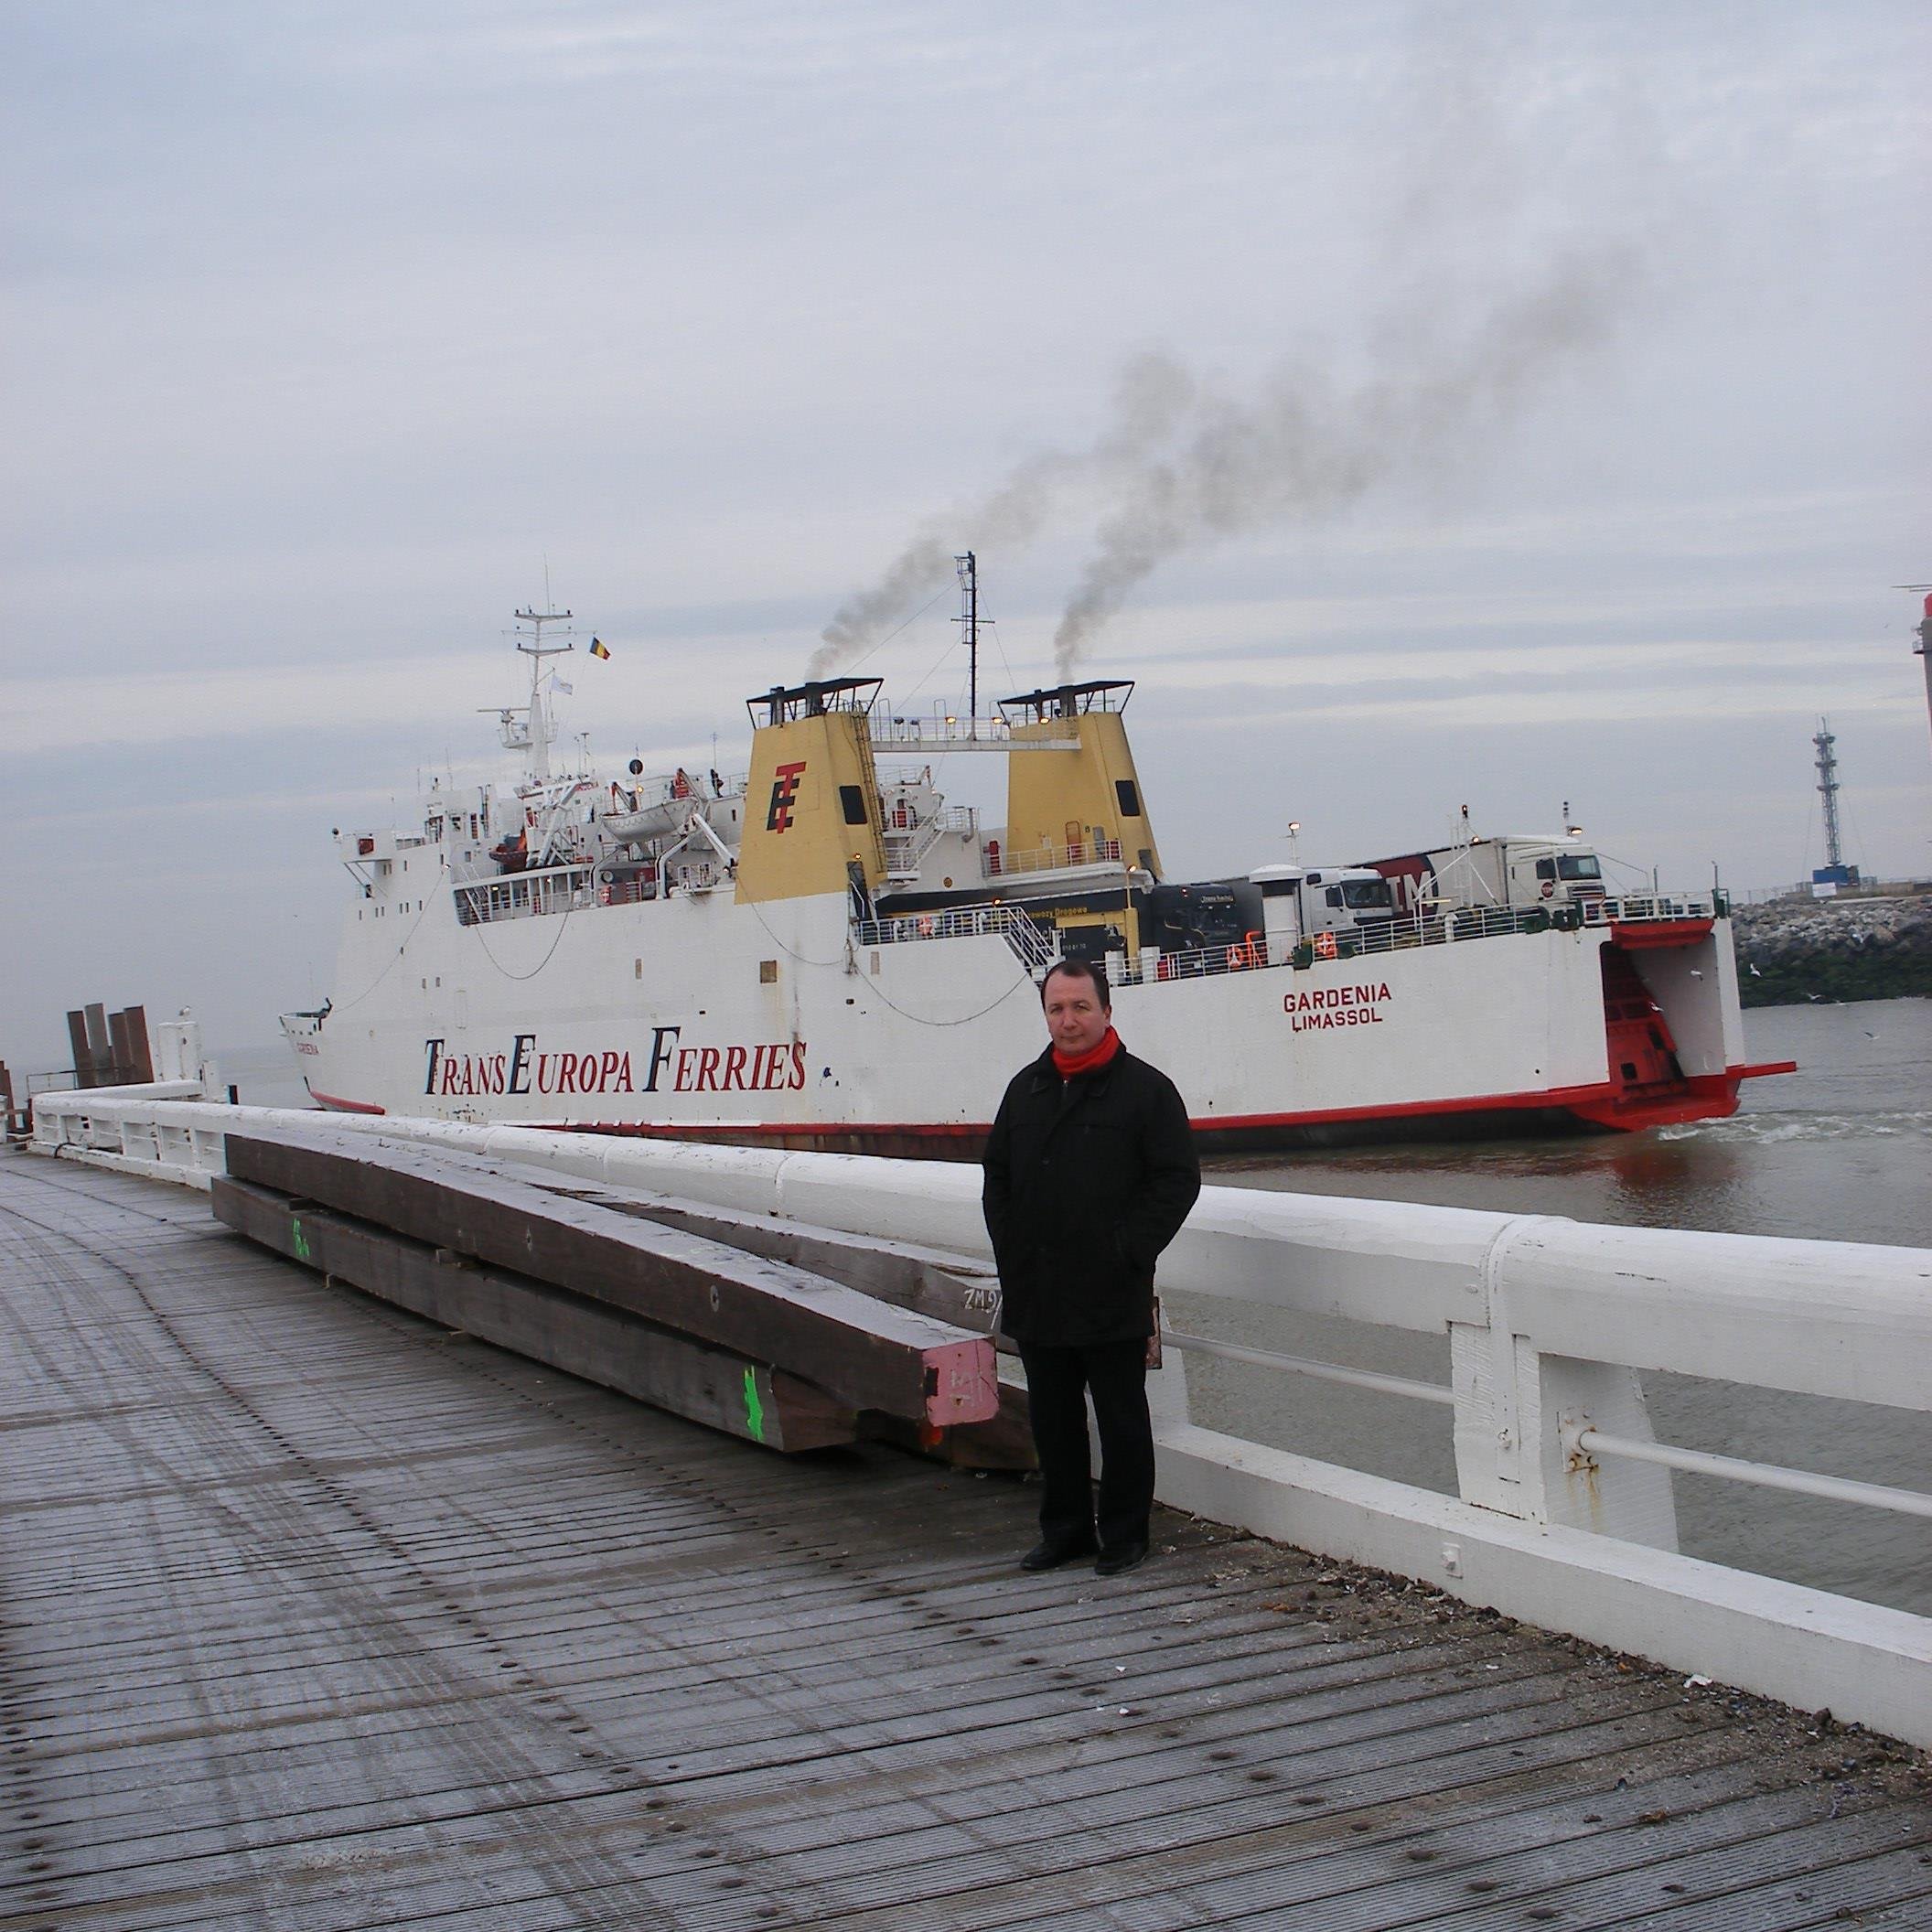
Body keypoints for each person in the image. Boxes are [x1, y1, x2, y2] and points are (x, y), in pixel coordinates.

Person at [982, 958, 1201, 1577]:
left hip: (1110, 1287)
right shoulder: (1025, 1089)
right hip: (1039, 1286)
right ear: (1045, 1013)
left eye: (1080, 1007)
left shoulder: (1146, 1091)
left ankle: (1126, 1534)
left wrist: (1129, 1251)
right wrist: (1013, 1249)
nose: (1068, 1020)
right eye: (1057, 1008)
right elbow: (996, 1175)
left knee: (1121, 1418)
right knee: (1052, 1420)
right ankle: (1066, 1531)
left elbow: (1177, 1180)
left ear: (1106, 1011)